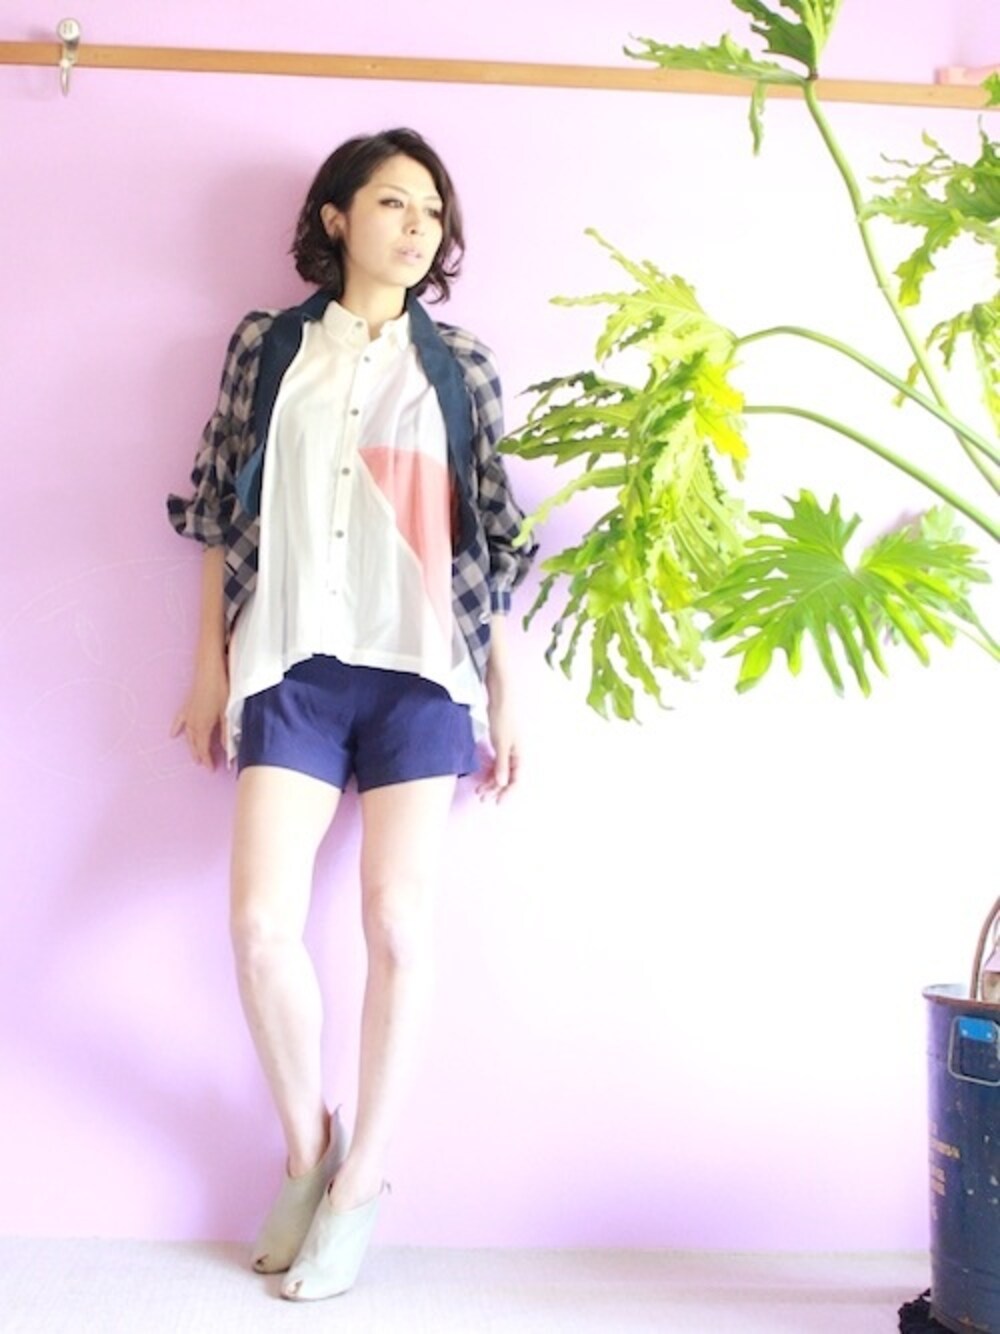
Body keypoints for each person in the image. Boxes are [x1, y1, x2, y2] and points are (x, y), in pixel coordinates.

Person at [166, 127, 536, 1302]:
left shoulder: (460, 366)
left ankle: (363, 1175)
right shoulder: (268, 348)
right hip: (290, 662)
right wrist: (210, 664)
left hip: (422, 669)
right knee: (258, 924)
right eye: (391, 203)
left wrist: (506, 693)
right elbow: (219, 508)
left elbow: (490, 536)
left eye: (432, 210)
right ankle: (307, 1149)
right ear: (336, 217)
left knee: (396, 921)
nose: (417, 226)